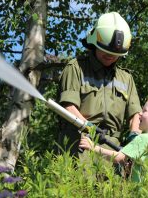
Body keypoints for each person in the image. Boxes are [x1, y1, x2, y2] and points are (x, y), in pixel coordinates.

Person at [58, 12, 142, 156]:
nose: (110, 56)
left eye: (115, 54)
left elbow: (136, 114)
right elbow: (68, 107)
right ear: (94, 42)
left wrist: (134, 136)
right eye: (105, 50)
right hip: (80, 146)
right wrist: (90, 128)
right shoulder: (75, 68)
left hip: (112, 153)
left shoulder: (126, 78)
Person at [79, 98, 148, 182]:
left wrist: (93, 147)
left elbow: (119, 158)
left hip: (142, 191)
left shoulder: (143, 138)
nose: (140, 113)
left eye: (145, 111)